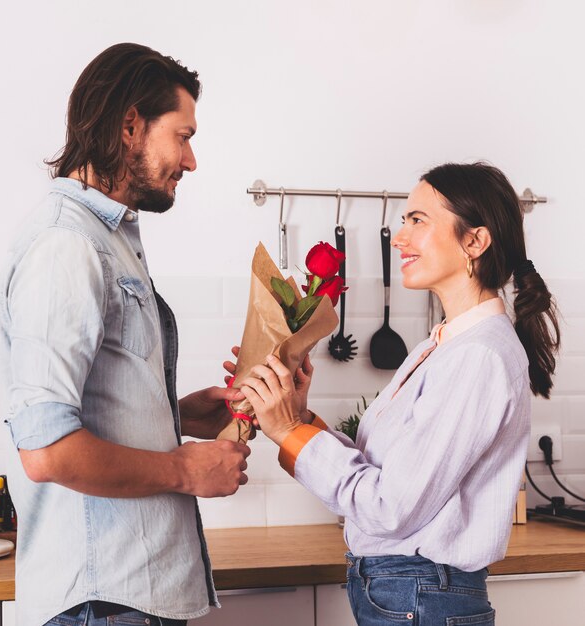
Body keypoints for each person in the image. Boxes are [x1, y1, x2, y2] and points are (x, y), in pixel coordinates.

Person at [0, 43, 251, 626]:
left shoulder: (104, 240)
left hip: (122, 599)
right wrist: (187, 468)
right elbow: (48, 451)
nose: (191, 161)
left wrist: (180, 416)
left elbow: (93, 408)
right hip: (102, 602)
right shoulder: (66, 246)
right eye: (182, 136)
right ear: (130, 125)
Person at [239, 162, 560, 626]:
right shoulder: (443, 343)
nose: (399, 237)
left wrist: (289, 431)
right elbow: (384, 470)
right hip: (408, 592)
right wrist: (298, 417)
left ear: (475, 241)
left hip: (421, 593)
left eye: (417, 221)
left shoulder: (479, 356)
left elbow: (392, 508)